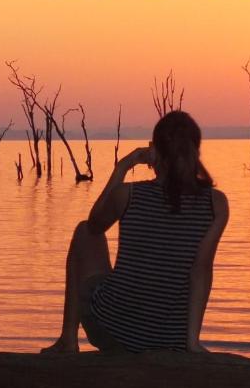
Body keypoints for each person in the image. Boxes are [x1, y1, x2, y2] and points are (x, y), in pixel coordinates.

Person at [41, 110, 229, 354]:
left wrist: (124, 165)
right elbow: (200, 271)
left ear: (156, 153)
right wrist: (191, 344)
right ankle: (189, 340)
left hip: (114, 332)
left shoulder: (129, 195)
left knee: (83, 232)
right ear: (196, 152)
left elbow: (94, 223)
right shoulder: (216, 203)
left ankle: (68, 340)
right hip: (170, 342)